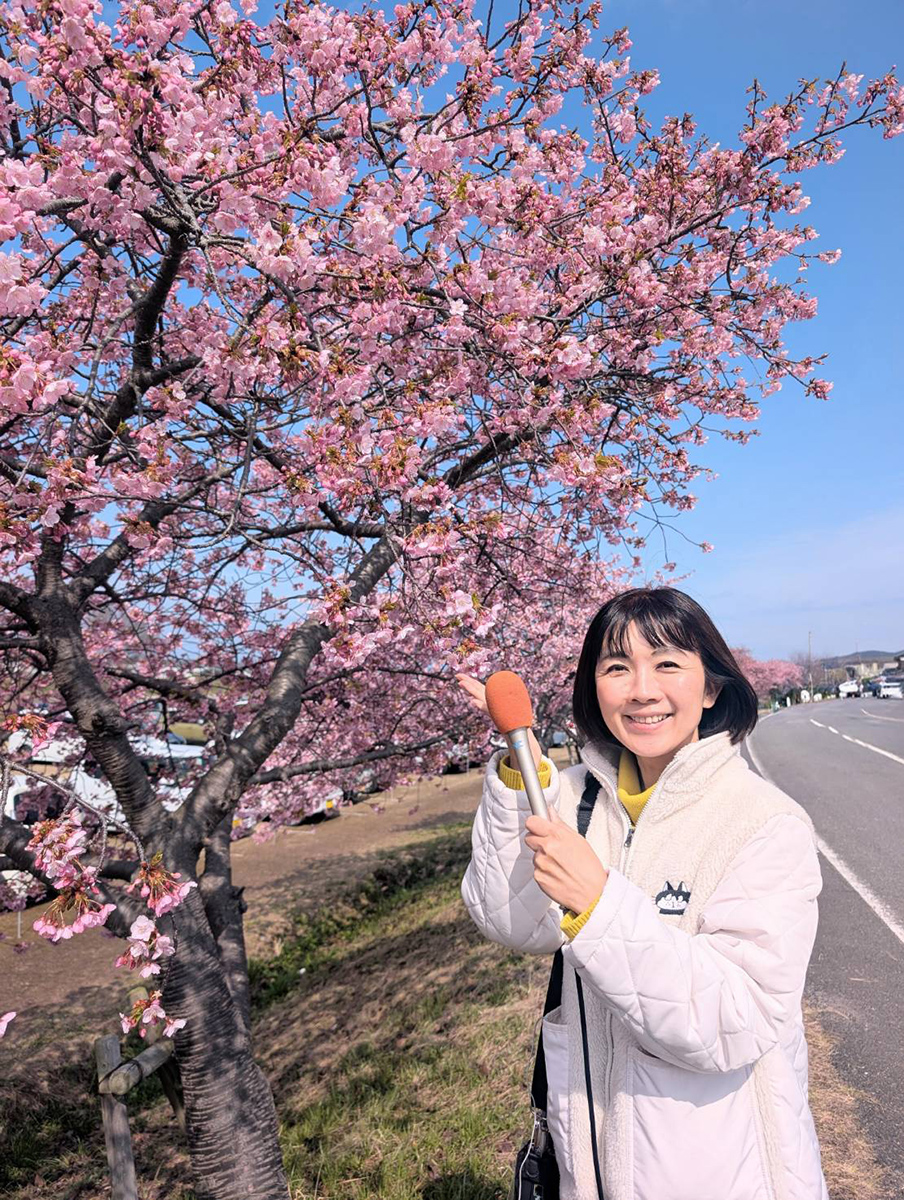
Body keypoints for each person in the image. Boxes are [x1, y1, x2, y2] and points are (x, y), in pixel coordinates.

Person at [458, 587, 827, 1200]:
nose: (642, 690)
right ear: (593, 687)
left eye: (668, 663)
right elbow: (511, 921)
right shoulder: (575, 799)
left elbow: (734, 1020)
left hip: (727, 1175)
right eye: (617, 667)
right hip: (591, 1164)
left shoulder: (765, 822)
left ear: (711, 688)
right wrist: (522, 785)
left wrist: (599, 906)